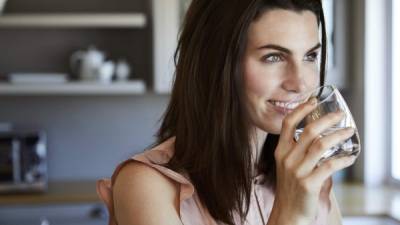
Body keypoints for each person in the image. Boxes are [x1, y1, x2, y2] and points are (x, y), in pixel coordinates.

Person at [97, 0, 357, 224]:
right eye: (273, 57)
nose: (300, 83)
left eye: (310, 56)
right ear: (218, 63)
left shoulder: (310, 178)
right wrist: (290, 216)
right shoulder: (147, 187)